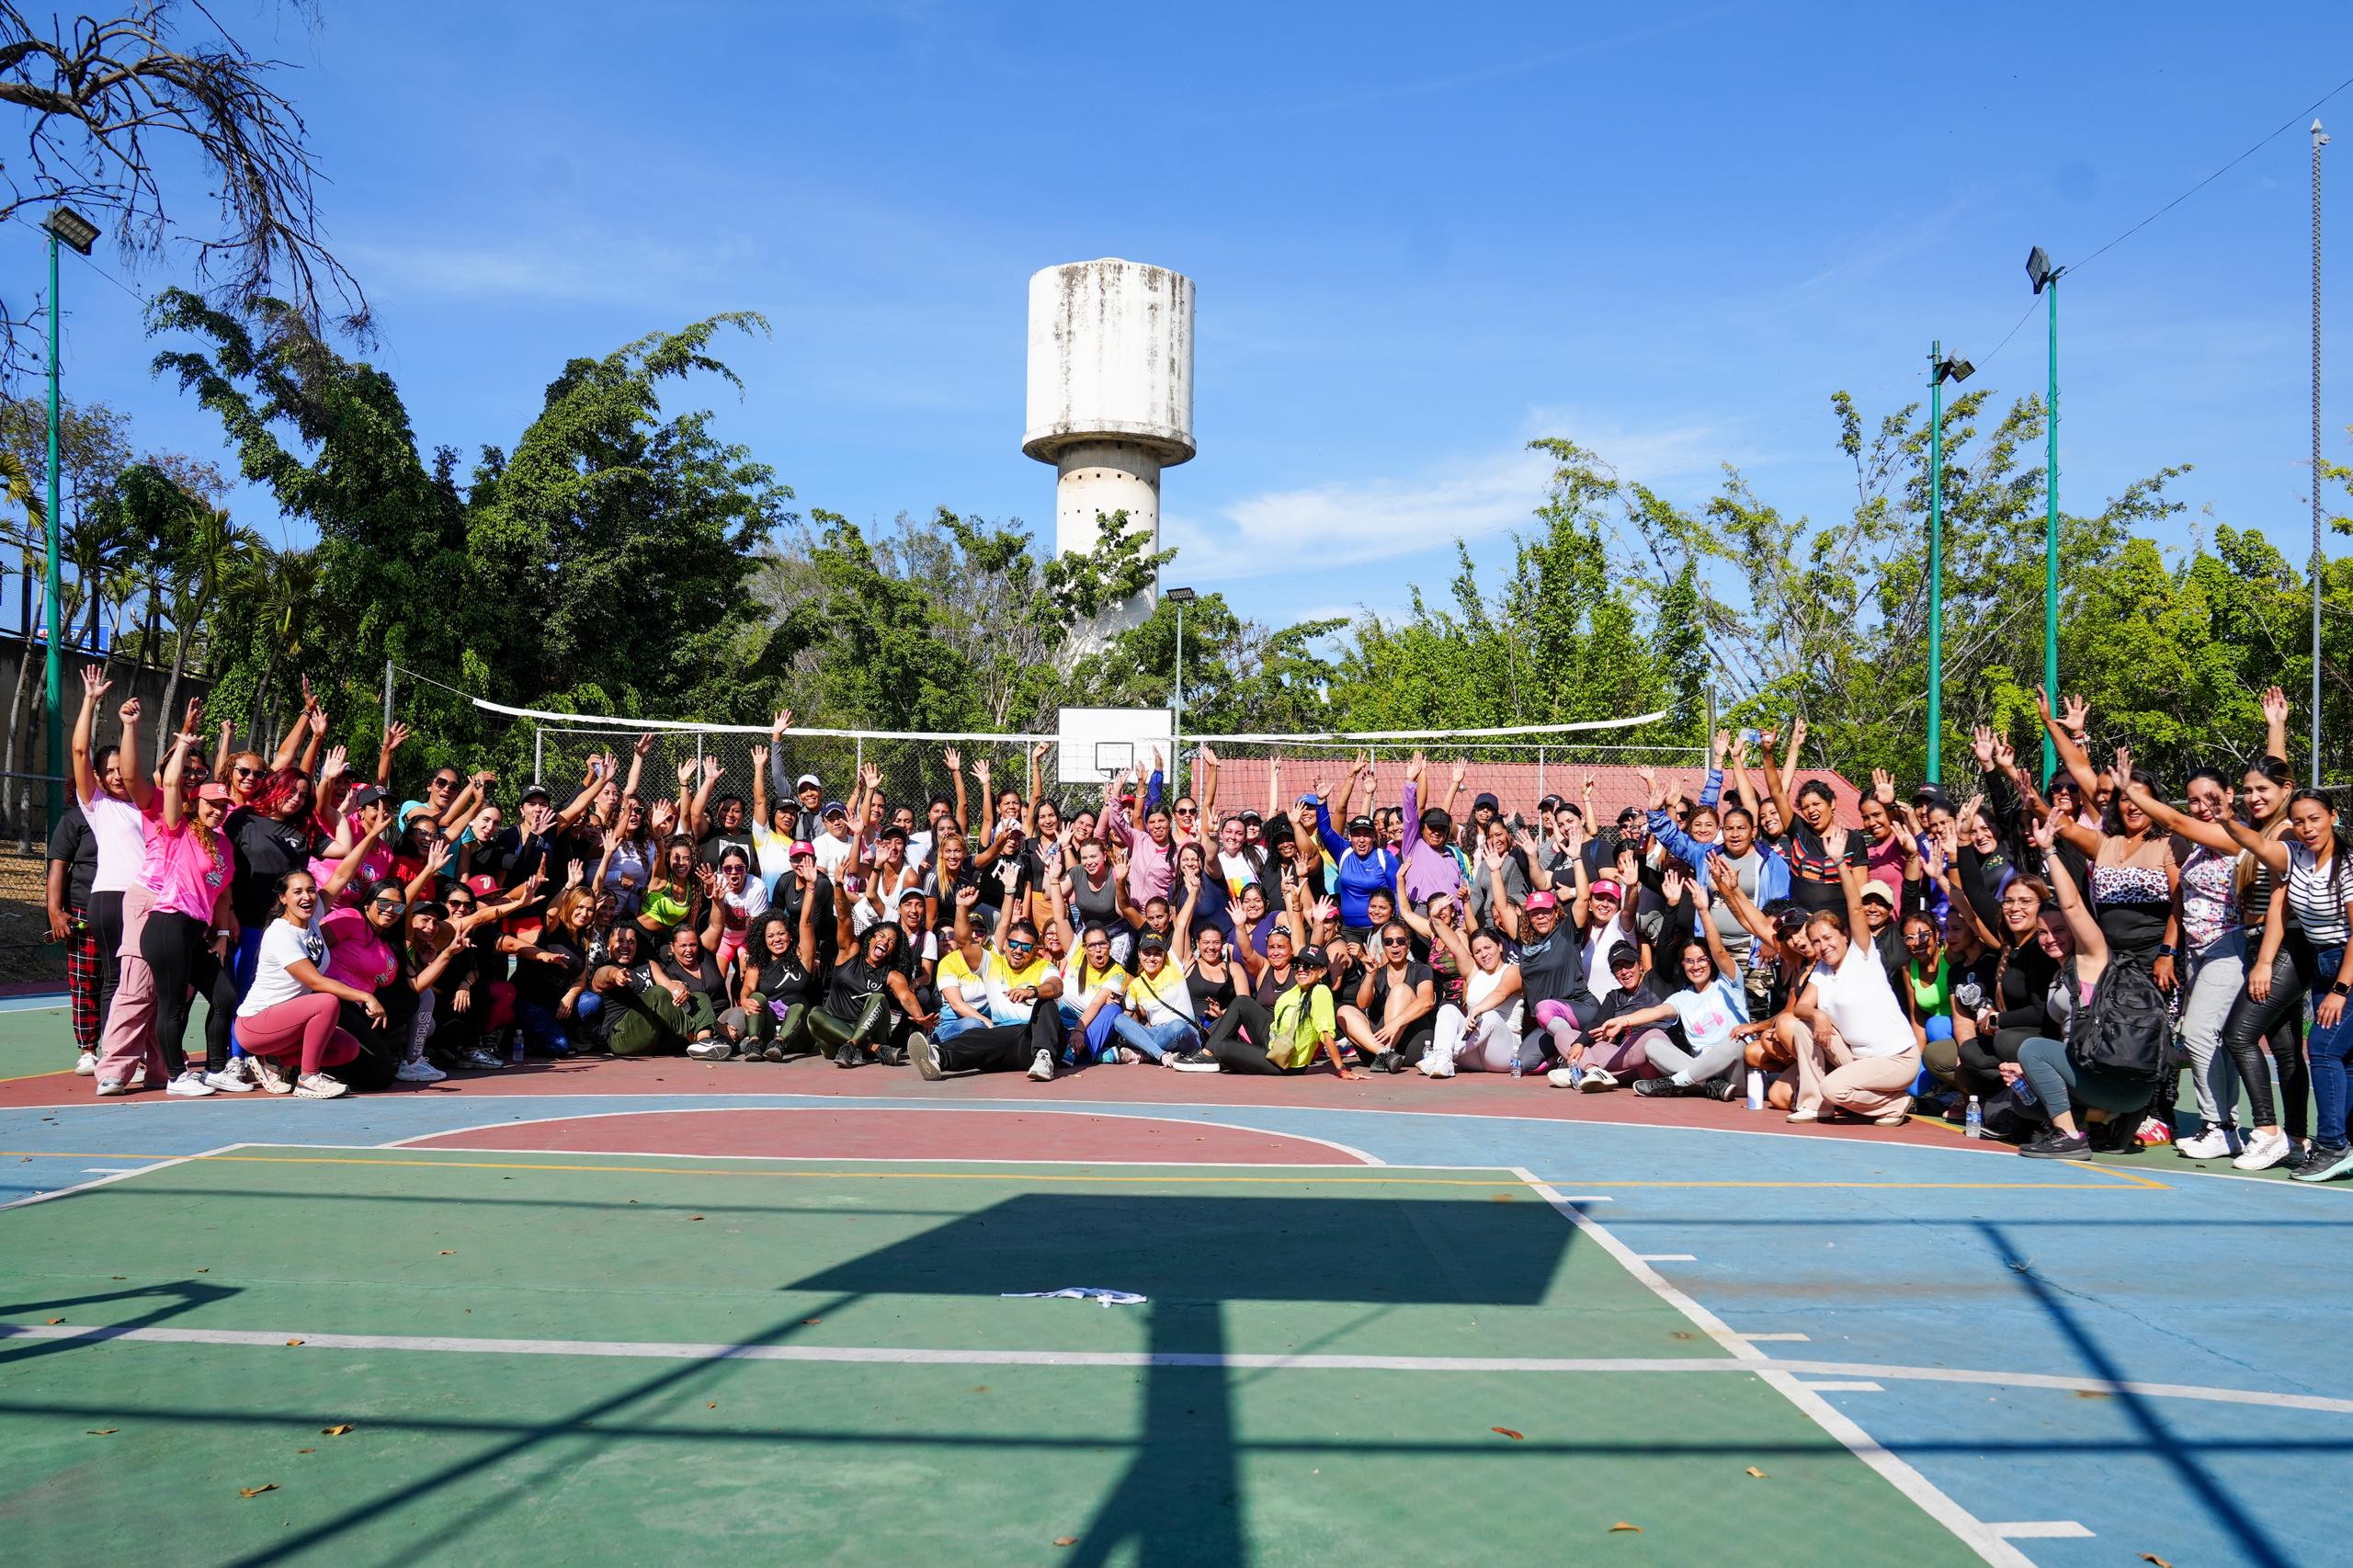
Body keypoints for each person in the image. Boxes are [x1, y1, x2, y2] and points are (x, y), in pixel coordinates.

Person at [2210, 788, 2353, 1180]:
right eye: (2300, 821)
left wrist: (2341, 990)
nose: (2308, 828)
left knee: (2323, 1049)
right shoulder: (2294, 857)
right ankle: (2345, 1141)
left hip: (2347, 965)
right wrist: (2226, 819)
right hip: (2324, 962)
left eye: (2315, 819)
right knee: (2343, 1058)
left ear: (2333, 817)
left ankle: (2332, 1145)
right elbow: (2254, 842)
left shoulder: (2347, 866)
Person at [2004, 813, 2157, 1160]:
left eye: (2059, 930)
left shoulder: (2093, 957)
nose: (2050, 938)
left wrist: (2048, 852)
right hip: (2113, 1082)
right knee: (2024, 1097)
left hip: (2116, 1079)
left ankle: (2069, 1136)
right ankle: (2105, 1124)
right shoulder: (2059, 975)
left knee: (2032, 1049)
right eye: (2043, 932)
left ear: (2076, 930)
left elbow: (2071, 903)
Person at [1786, 861, 1921, 1126]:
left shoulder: (1862, 954)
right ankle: (1814, 1105)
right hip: (1857, 1058)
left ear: (1845, 934)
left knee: (1833, 1088)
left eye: (1828, 937)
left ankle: (1894, 1103)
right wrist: (1818, 1016)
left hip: (1896, 1059)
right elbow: (1801, 1007)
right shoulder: (1822, 970)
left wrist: (1840, 864)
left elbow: (1856, 908)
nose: (1823, 946)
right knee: (1803, 1026)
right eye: (1816, 942)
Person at [229, 870, 373, 1097]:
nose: (306, 896)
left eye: (311, 890)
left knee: (347, 1048)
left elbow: (340, 877)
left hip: (288, 1024)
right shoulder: (280, 933)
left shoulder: (312, 919)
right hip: (255, 1025)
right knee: (326, 1002)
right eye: (297, 892)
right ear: (283, 898)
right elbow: (315, 981)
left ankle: (273, 1060)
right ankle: (308, 1079)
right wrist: (365, 996)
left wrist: (370, 844)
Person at [1613, 871, 1750, 1099]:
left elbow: (1719, 950)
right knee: (1653, 1044)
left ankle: (1676, 1082)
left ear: (1711, 962)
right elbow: (1655, 1012)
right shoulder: (1682, 998)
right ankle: (1710, 1085)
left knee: (1736, 1042)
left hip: (1736, 1073)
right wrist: (1623, 1020)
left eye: (1702, 959)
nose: (1696, 966)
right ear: (1683, 965)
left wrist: (1703, 911)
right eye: (1689, 961)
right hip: (1703, 1072)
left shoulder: (1729, 984)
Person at [1205, 945, 1355, 1077]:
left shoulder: (1320, 992)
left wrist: (1341, 1069)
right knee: (1242, 1001)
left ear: (1322, 972)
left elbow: (1325, 1034)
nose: (1301, 969)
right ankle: (1205, 1054)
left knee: (1221, 1047)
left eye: (1308, 965)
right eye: (1297, 965)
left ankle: (1221, 1057)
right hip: (1273, 1041)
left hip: (1285, 1061)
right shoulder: (1295, 991)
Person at [1417, 923, 1523, 1077]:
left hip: (1502, 1054)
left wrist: (1477, 1009)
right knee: (1447, 1009)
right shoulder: (1473, 972)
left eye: (1488, 947)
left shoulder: (1513, 970)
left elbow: (1501, 993)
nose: (1484, 954)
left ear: (1500, 947)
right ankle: (1443, 1058)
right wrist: (1434, 918)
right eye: (1478, 951)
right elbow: (1455, 944)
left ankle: (1441, 1055)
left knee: (1490, 1015)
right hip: (1471, 1054)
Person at [722, 900, 821, 1059]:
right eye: (770, 936)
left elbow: (806, 922)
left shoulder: (802, 958)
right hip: (770, 1031)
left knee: (797, 1007)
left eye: (781, 933)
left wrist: (810, 889)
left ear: (790, 934)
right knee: (756, 996)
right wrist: (744, 999)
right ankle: (754, 1043)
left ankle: (780, 1043)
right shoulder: (758, 963)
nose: (777, 939)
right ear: (764, 939)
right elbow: (748, 987)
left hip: (800, 1035)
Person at [1337, 919, 1437, 1074]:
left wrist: (1396, 1023)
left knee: (1400, 990)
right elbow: (1362, 1004)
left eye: (1400, 941)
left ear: (1408, 944)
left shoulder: (1421, 969)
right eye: (1389, 942)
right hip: (1376, 1048)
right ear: (1383, 947)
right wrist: (1371, 975)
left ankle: (1388, 1050)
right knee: (1344, 1011)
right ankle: (1385, 1054)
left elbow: (1427, 1001)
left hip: (1410, 1043)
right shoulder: (1377, 971)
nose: (1394, 945)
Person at [45, 794, 98, 1073]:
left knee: (126, 984)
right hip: (83, 910)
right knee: (84, 981)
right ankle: (88, 1051)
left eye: (121, 772)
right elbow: (58, 865)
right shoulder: (75, 818)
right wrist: (55, 910)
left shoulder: (135, 811)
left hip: (126, 911)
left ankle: (126, 1049)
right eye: (108, 773)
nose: (116, 777)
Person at [1111, 934, 1199, 1063]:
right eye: (1147, 953)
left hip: (1184, 1031)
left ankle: (1146, 1053)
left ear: (1164, 955)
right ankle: (1162, 1055)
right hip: (1157, 1034)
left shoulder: (1173, 966)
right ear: (1139, 954)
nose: (1151, 958)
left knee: (1177, 1026)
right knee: (1119, 1020)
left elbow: (1180, 926)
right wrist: (1111, 1003)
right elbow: (1126, 1018)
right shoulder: (1136, 984)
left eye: (1157, 954)